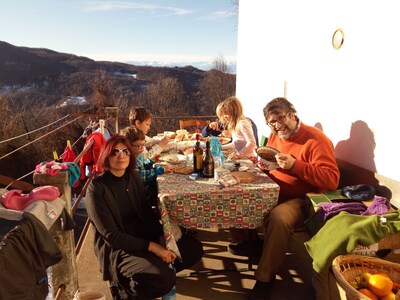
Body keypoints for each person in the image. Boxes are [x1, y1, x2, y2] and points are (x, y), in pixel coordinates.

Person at [229, 97, 340, 299]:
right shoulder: (275, 136)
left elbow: (332, 179)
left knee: (279, 219)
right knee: (236, 192)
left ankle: (265, 279)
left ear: (292, 114)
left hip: (301, 198)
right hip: (272, 188)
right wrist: (258, 163)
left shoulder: (315, 139)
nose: (278, 126)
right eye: (272, 122)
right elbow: (271, 162)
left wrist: (295, 165)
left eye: (281, 118)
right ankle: (247, 241)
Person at [85, 135, 203, 299]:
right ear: (106, 156)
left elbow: (147, 214)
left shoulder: (132, 177)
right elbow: (112, 236)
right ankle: (124, 289)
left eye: (125, 151)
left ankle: (151, 268)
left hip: (144, 238)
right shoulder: (96, 189)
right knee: (162, 279)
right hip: (119, 249)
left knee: (192, 249)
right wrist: (155, 248)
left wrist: (164, 239)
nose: (121, 156)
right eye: (115, 152)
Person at [120, 125, 172, 208]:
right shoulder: (128, 161)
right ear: (127, 146)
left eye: (143, 144)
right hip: (141, 195)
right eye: (139, 146)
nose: (142, 148)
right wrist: (161, 170)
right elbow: (142, 177)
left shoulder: (138, 154)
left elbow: (142, 166)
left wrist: (150, 161)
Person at [215, 96, 257, 160]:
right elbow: (235, 144)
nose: (225, 117)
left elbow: (252, 143)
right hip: (242, 158)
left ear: (234, 112)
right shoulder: (235, 125)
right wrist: (220, 147)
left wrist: (238, 155)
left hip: (249, 159)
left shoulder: (243, 123)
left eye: (226, 113)